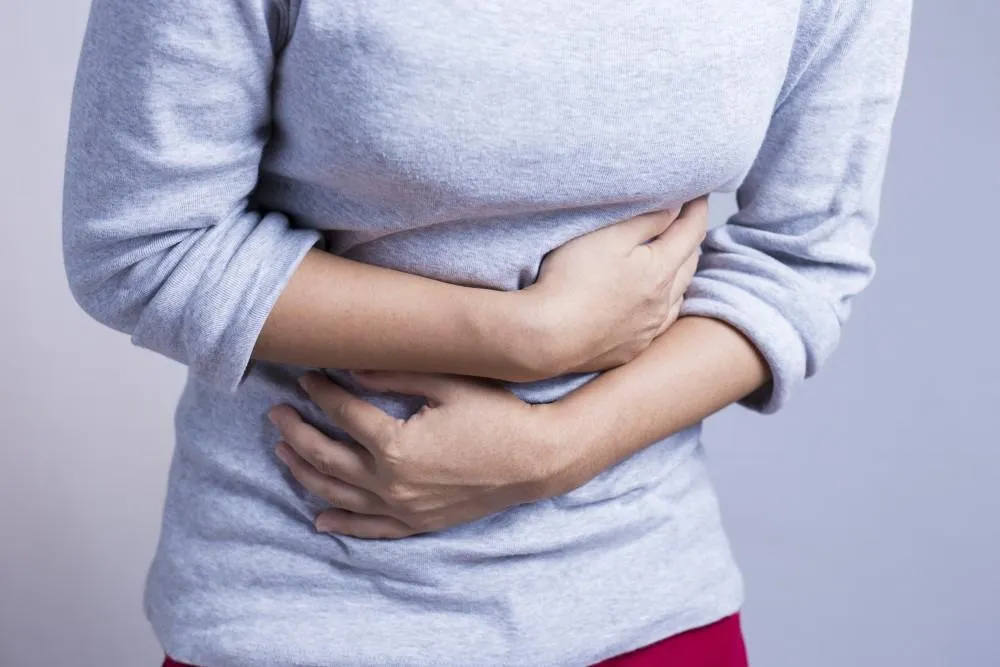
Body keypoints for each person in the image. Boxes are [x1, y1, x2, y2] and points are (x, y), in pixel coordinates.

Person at [62, 0, 911, 665]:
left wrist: (557, 449)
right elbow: (146, 243)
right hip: (305, 607)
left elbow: (804, 258)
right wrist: (527, 335)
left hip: (645, 608)